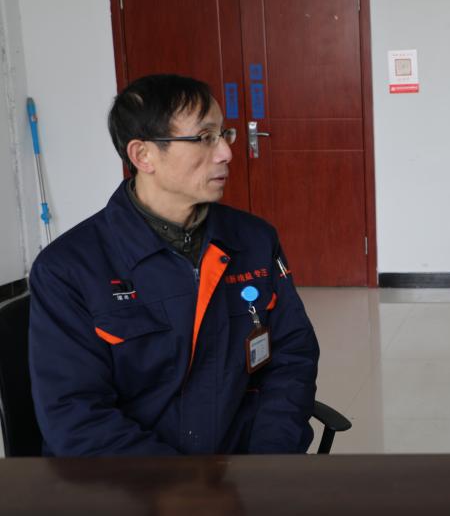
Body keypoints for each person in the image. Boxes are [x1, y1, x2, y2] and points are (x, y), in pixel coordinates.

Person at [29, 74, 319, 455]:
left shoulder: (255, 241)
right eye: (205, 138)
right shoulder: (69, 269)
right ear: (143, 155)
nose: (226, 153)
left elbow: (292, 358)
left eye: (224, 134)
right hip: (133, 482)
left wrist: (269, 459)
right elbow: (76, 418)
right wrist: (182, 483)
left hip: (245, 471)